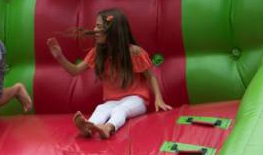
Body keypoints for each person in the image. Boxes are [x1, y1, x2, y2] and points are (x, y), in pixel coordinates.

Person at [47, 8, 171, 138]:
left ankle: (108, 127)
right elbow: (75, 71)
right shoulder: (97, 53)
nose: (95, 30)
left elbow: (150, 76)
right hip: (112, 100)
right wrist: (59, 56)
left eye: (99, 26)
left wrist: (159, 99)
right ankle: (89, 127)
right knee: (101, 109)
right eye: (95, 26)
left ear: (113, 31)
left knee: (120, 110)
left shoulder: (134, 52)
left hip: (136, 99)